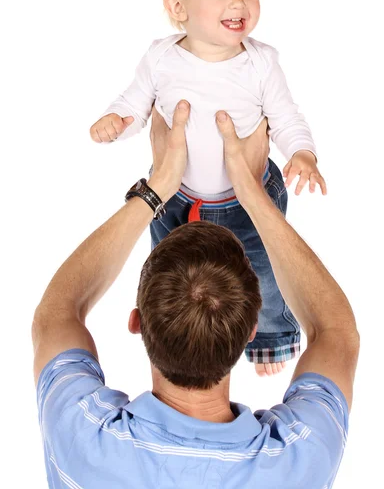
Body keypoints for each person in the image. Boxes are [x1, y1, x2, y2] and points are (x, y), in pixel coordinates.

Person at [33, 101, 359, 488]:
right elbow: (336, 332)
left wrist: (158, 188)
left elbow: (57, 314)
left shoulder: (81, 437)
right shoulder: (299, 459)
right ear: (252, 330)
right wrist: (253, 193)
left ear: (136, 322)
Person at [89, 0, 327, 376]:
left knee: (263, 269)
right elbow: (135, 105)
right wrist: (117, 123)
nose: (239, 2)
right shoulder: (160, 58)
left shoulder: (260, 63)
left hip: (247, 197)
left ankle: (272, 335)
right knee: (167, 264)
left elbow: (287, 118)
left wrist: (303, 153)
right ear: (178, 8)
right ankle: (162, 326)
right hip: (173, 197)